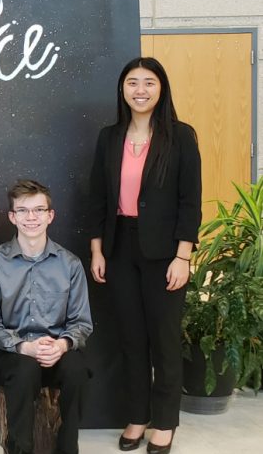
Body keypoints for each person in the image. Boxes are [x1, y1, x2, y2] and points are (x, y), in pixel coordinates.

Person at [88, 57, 201, 454]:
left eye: (148, 82)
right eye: (132, 82)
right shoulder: (109, 136)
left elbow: (190, 202)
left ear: (161, 88)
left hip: (165, 251)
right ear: (122, 89)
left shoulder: (181, 136)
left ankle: (165, 422)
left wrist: (183, 256)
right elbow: (98, 198)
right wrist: (98, 250)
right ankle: (137, 416)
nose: (140, 89)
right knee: (132, 341)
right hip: (119, 247)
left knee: (164, 340)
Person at [0, 179, 93, 454]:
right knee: (24, 368)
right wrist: (23, 346)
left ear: (50, 216)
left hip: (57, 351)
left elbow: (81, 322)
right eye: (23, 211)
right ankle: (20, 449)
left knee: (78, 370)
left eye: (39, 210)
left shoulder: (70, 264)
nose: (32, 217)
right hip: (13, 354)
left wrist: (62, 344)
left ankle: (68, 446)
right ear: (12, 217)